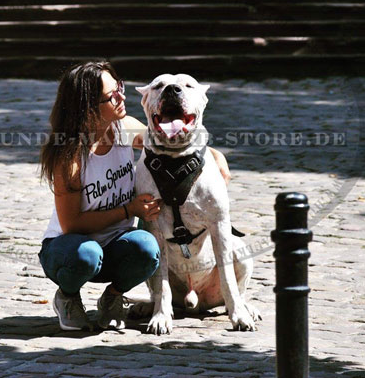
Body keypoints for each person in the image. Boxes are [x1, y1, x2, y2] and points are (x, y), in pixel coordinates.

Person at [38, 61, 231, 331]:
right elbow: (72, 224)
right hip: (70, 250)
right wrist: (129, 211)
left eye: (120, 88)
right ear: (89, 106)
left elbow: (168, 141)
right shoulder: (70, 156)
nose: (121, 97)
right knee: (87, 254)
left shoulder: (122, 127)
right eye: (111, 95)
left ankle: (113, 298)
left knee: (146, 248)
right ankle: (68, 296)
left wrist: (213, 154)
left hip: (118, 246)